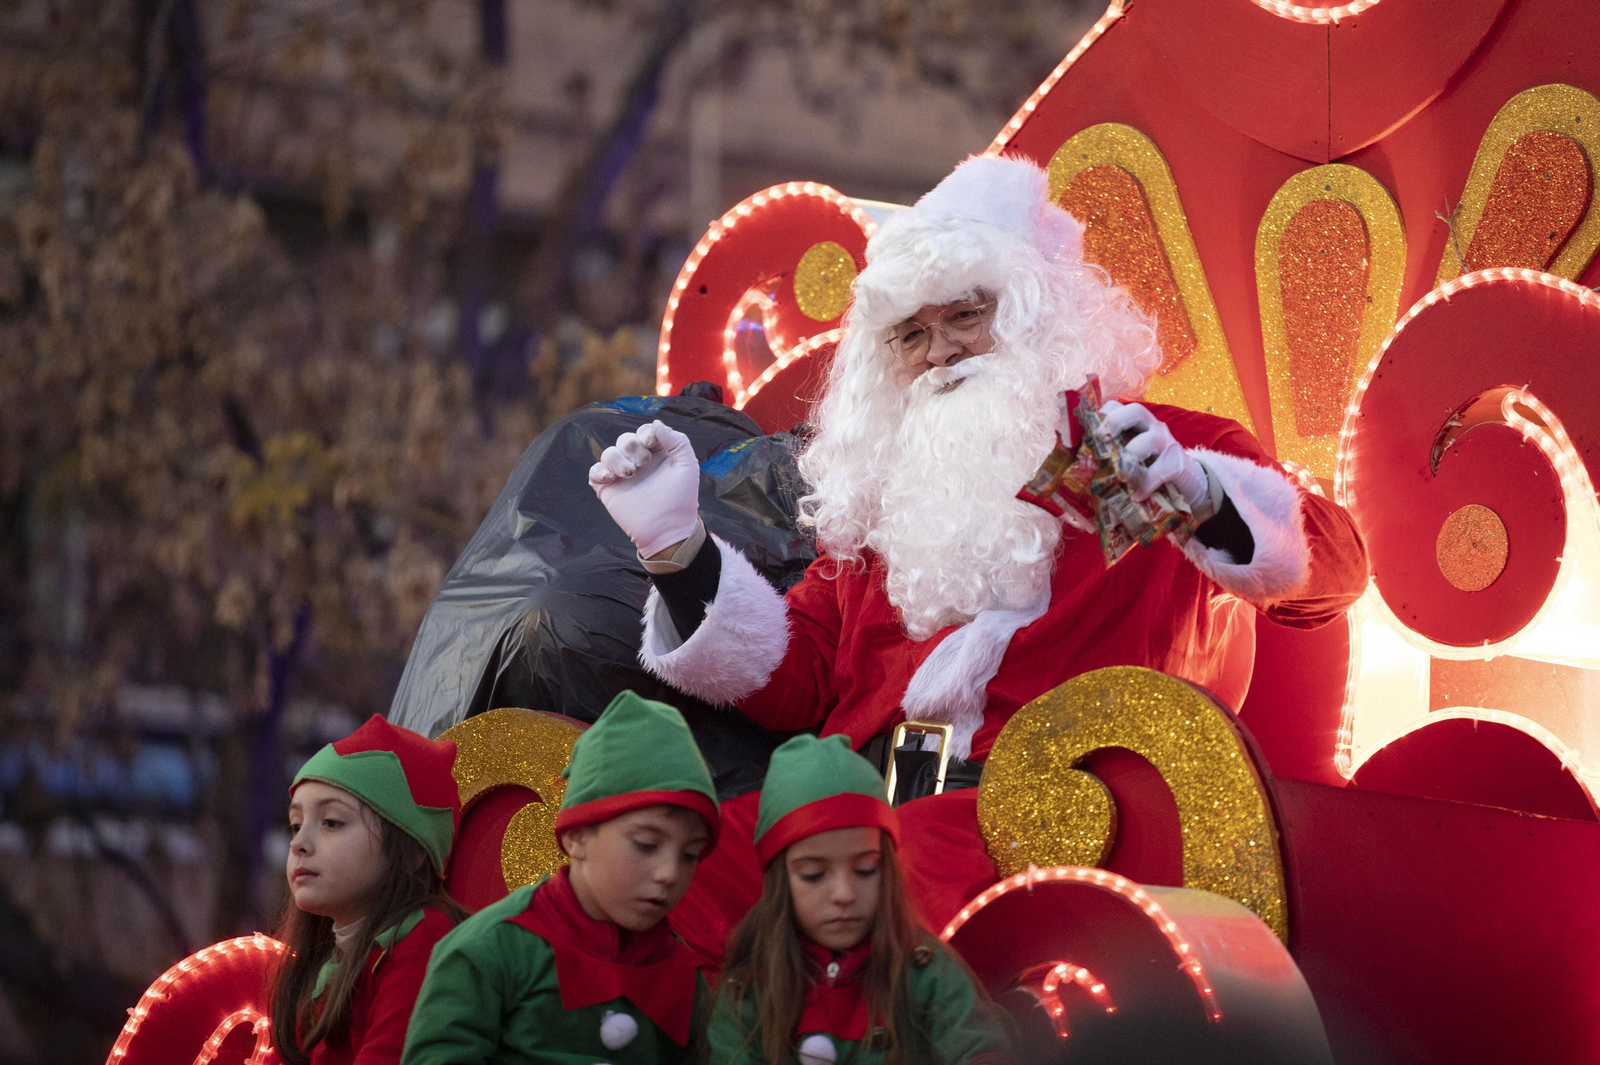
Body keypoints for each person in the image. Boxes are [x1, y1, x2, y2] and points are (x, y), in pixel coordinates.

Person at [588, 153, 1369, 941]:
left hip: (1051, 818)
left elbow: (1335, 572)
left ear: (1040, 313)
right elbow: (800, 674)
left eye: (965, 316)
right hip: (858, 807)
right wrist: (677, 547)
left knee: (904, 891)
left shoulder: (1159, 451)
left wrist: (1201, 493)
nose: (939, 352)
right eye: (911, 334)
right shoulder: (886, 491)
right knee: (657, 877)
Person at [400, 690, 719, 1065]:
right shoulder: (487, 952)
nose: (670, 873)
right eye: (647, 845)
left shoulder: (684, 975)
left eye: (689, 854)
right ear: (577, 837)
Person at [709, 734, 1011, 1065]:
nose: (844, 894)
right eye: (813, 874)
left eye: (866, 870)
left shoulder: (927, 971)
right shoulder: (748, 990)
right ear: (780, 884)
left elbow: (977, 1044)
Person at [270, 715, 466, 1065]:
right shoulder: (329, 959)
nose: (299, 843)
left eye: (331, 822)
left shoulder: (423, 940)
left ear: (413, 851)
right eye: (295, 825)